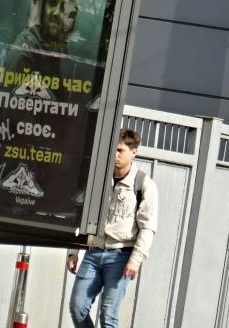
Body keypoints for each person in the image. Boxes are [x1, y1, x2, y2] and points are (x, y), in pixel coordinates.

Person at [66, 129, 158, 328]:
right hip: (93, 252)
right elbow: (81, 215)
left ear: (134, 152)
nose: (115, 155)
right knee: (77, 307)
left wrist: (135, 260)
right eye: (113, 150)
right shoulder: (98, 180)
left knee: (108, 316)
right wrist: (73, 251)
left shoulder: (144, 184)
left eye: (120, 150)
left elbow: (148, 228)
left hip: (121, 257)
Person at [4, 0, 79, 76]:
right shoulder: (24, 53)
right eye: (52, 3)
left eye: (63, 7)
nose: (57, 13)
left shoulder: (49, 49)